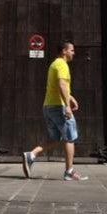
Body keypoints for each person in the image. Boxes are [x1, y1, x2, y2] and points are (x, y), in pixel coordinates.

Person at [22, 41, 88, 181]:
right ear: (64, 51)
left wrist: (71, 98)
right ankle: (69, 172)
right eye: (72, 50)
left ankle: (31, 155)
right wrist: (67, 106)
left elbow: (57, 86)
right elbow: (61, 84)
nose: (73, 53)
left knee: (55, 138)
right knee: (70, 137)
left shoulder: (54, 64)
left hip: (49, 106)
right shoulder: (62, 65)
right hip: (59, 107)